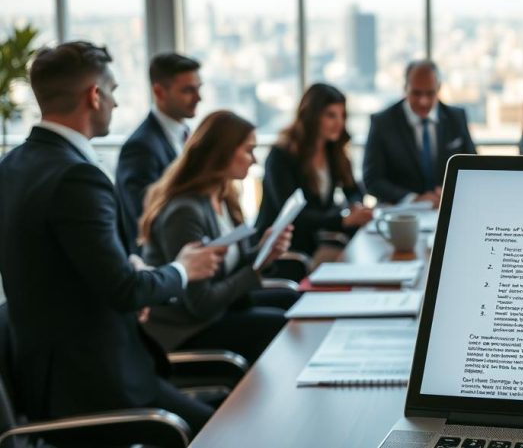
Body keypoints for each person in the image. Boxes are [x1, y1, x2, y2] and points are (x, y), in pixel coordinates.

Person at [0, 41, 225, 436]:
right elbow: (123, 290)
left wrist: (127, 267)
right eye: (114, 92)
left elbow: (51, 266)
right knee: (223, 431)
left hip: (40, 375)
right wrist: (183, 269)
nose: (116, 105)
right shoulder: (77, 176)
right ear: (94, 95)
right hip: (93, 382)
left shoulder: (13, 165)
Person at [138, 110, 296, 364]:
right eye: (248, 150)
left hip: (217, 310)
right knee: (277, 324)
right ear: (222, 153)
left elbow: (228, 268)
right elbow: (200, 303)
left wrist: (265, 253)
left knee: (291, 300)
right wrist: (253, 272)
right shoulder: (185, 212)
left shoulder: (223, 197)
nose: (253, 160)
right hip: (187, 328)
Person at [257, 84, 374, 256]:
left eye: (342, 115)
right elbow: (294, 216)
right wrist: (342, 220)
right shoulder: (281, 156)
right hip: (284, 249)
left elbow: (354, 190)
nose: (339, 123)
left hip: (316, 241)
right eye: (331, 115)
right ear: (312, 116)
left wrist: (355, 207)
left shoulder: (333, 151)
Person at [363, 60, 477, 207]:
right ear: (405, 88)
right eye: (416, 93)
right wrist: (413, 199)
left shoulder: (456, 118)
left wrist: (450, 191)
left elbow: (472, 167)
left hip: (448, 207)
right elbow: (372, 180)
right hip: (401, 213)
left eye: (430, 93)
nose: (423, 101)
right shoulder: (382, 123)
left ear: (439, 88)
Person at [117, 52, 202, 246]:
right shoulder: (139, 147)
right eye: (188, 90)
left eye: (198, 88)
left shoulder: (188, 135)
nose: (199, 97)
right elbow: (145, 214)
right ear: (159, 92)